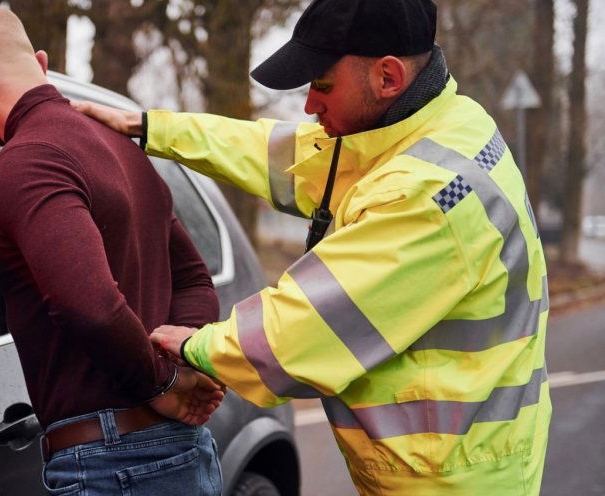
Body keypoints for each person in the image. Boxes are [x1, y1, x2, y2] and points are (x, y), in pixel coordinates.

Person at [72, 0, 551, 494]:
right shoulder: (440, 126)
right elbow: (281, 155)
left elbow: (301, 333)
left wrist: (195, 346)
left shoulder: (426, 193)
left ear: (388, 77)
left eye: (321, 85)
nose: (308, 105)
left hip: (451, 478)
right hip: (467, 456)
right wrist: (151, 129)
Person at [0, 5, 225, 495]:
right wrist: (179, 365)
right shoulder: (119, 145)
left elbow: (89, 306)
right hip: (179, 451)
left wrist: (162, 384)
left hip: (114, 465)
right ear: (42, 63)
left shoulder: (27, 159)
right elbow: (194, 281)